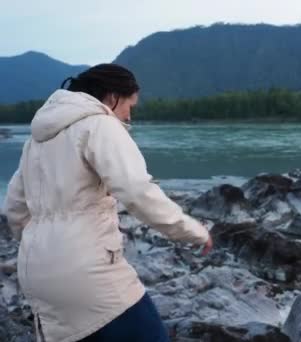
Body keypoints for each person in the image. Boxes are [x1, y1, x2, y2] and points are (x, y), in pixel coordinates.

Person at [2, 64, 212, 342]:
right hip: (87, 272)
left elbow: (15, 208)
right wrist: (193, 231)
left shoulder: (37, 140)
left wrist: (40, 243)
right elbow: (137, 190)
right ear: (113, 98)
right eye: (130, 105)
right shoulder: (100, 123)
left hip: (35, 273)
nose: (129, 115)